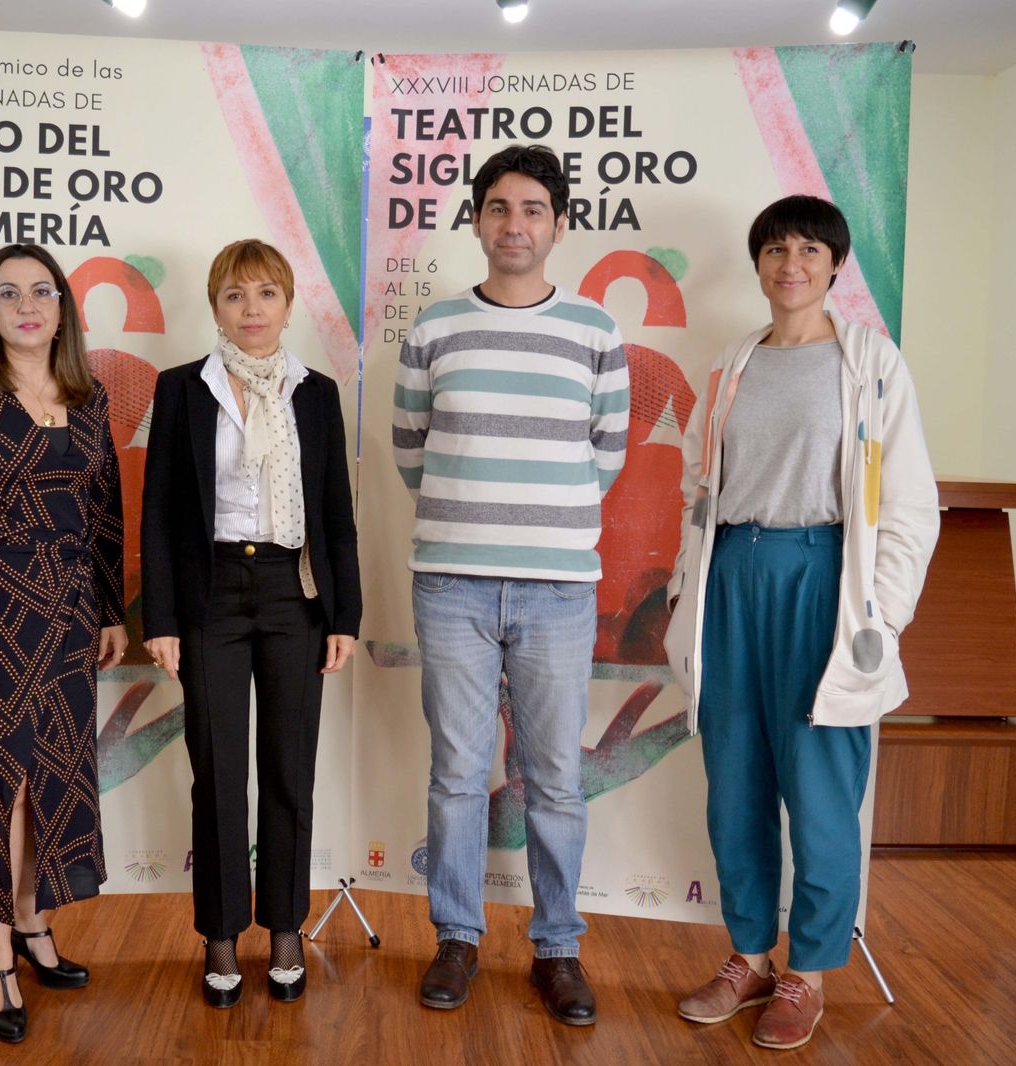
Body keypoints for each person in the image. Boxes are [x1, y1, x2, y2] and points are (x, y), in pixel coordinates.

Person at [664, 195, 939, 1050]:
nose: (792, 263)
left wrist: (882, 615)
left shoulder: (871, 362)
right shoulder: (732, 362)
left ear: (835, 265)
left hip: (823, 577)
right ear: (759, 264)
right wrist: (685, 589)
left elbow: (910, 504)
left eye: (810, 249)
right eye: (776, 248)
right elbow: (695, 487)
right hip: (732, 577)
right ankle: (747, 956)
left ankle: (807, 971)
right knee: (736, 780)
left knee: (820, 790)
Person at [392, 144, 629, 1026]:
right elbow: (411, 451)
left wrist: (537, 521)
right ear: (479, 220)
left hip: (558, 589)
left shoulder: (596, 331)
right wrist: (477, 517)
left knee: (555, 778)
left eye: (533, 208)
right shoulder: (435, 328)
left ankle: (557, 950)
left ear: (558, 223)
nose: (515, 223)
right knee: (458, 773)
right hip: (451, 583)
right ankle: (456, 937)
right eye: (499, 207)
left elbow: (605, 454)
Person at [141, 239, 361, 1008]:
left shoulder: (316, 393)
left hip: (293, 590)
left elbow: (336, 515)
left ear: (289, 304)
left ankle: (287, 926)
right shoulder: (181, 391)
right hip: (209, 593)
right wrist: (161, 617)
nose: (253, 310)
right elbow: (161, 515)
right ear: (215, 308)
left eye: (267, 294)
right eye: (236, 296)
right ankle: (222, 935)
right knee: (218, 772)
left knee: (288, 768)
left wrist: (346, 615)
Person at [0, 243, 129, 1043]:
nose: (27, 305)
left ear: (62, 309)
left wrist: (111, 610)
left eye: (41, 292)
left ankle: (36, 922)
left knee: (56, 780)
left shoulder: (87, 395)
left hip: (71, 617)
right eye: (9, 294)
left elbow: (106, 514)